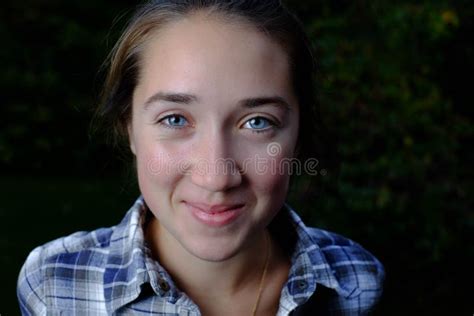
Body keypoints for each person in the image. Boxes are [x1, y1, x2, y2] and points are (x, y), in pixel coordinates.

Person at [17, 1, 385, 315]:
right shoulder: (54, 285)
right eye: (175, 119)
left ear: (299, 135)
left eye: (257, 122)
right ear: (130, 128)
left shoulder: (358, 281)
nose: (217, 177)